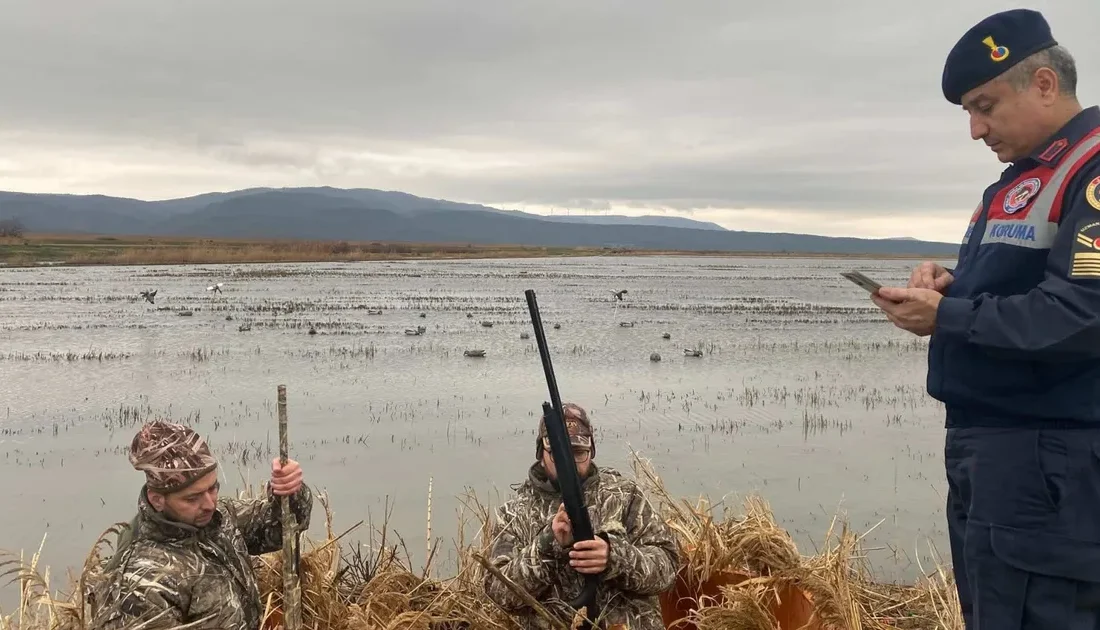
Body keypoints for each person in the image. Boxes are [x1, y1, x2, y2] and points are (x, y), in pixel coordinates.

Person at [871, 8, 1100, 629]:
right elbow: (1021, 286)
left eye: (986, 106)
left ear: (1045, 84)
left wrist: (950, 316)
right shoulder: (1022, 180)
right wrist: (951, 286)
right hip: (994, 452)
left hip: (1046, 458)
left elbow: (1084, 314)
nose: (975, 129)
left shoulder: (1092, 168)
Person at [89, 420, 314, 630]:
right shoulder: (140, 582)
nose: (209, 504)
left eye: (212, 488)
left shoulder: (219, 518)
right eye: (192, 498)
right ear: (157, 499)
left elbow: (282, 528)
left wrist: (288, 490)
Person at [482, 402, 679, 629]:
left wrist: (615, 557)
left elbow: (668, 569)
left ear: (591, 452)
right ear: (540, 452)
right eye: (558, 453)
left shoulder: (625, 495)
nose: (570, 463)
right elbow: (499, 594)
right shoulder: (515, 513)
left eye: (578, 453)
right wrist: (547, 546)